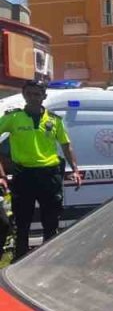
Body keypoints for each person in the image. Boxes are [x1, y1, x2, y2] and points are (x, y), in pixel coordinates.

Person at [0, 80, 82, 259]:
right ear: (24, 95)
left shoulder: (53, 120)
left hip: (49, 175)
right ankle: (20, 260)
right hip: (24, 176)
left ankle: (48, 261)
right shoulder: (13, 118)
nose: (32, 98)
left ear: (44, 96)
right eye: (29, 94)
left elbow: (66, 145)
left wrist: (75, 170)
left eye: (37, 94)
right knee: (22, 224)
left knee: (51, 223)